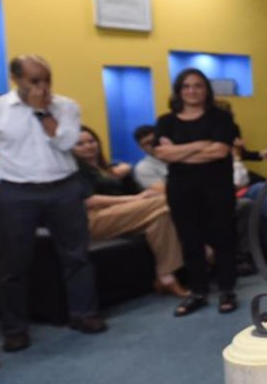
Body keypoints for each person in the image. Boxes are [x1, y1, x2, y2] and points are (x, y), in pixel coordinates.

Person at [0, 55, 107, 350]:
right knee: (14, 264)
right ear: (16, 79)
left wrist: (43, 112)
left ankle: (84, 314)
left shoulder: (66, 106)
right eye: (34, 80)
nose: (43, 86)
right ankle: (15, 329)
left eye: (47, 79)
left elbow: (66, 143)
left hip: (64, 188)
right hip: (16, 192)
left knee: (77, 256)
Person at [154, 69, 240, 316]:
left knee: (223, 238)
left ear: (206, 90)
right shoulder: (166, 121)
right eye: (186, 86)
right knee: (190, 240)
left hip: (217, 187)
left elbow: (220, 152)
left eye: (198, 85)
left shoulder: (220, 118)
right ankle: (198, 292)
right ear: (179, 91)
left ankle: (227, 290)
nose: (192, 91)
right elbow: (162, 154)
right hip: (181, 190)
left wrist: (179, 152)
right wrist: (201, 145)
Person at [71, 126, 187, 298]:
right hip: (93, 219)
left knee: (162, 216)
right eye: (80, 144)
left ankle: (166, 278)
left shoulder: (107, 168)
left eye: (91, 141)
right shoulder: (74, 169)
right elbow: (89, 200)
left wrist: (124, 179)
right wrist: (136, 199)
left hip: (120, 214)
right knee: (164, 200)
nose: (88, 146)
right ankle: (202, 248)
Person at [131, 124, 168, 191]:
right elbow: (165, 192)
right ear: (141, 148)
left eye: (155, 140)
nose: (154, 145)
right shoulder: (143, 168)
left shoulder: (180, 156)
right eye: (148, 143)